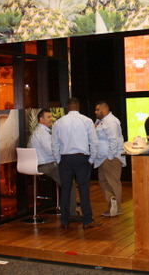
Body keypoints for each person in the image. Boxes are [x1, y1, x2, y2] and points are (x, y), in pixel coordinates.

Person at [51, 97, 101, 229]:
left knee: (65, 190)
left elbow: (54, 145)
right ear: (78, 107)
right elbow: (94, 143)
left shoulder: (59, 122)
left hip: (65, 159)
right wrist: (91, 160)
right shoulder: (87, 121)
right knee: (84, 190)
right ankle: (87, 220)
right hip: (81, 158)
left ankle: (65, 221)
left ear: (67, 108)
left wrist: (59, 160)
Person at [29, 109, 79, 221]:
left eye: (50, 117)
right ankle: (71, 213)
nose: (51, 119)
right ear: (41, 119)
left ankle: (66, 208)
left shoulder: (40, 131)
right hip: (46, 165)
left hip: (43, 164)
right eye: (48, 117)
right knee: (69, 181)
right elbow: (51, 151)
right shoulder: (42, 132)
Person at [93, 101, 126, 217]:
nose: (95, 112)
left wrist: (111, 156)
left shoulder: (111, 121)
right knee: (103, 181)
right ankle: (112, 203)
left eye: (98, 110)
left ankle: (117, 208)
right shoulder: (100, 121)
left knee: (113, 182)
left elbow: (114, 140)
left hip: (111, 157)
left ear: (104, 109)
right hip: (102, 158)